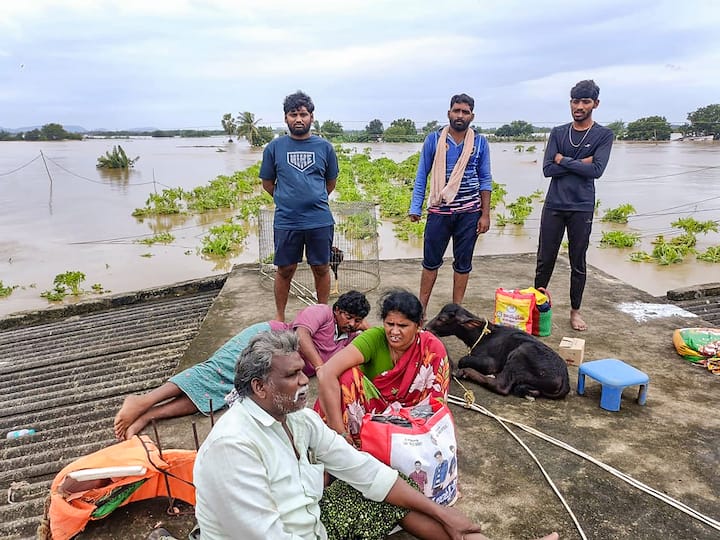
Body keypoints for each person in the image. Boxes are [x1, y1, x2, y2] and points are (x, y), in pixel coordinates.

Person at [193, 329, 560, 540]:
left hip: (311, 524)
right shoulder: (233, 447)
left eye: (302, 371)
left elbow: (361, 468)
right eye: (291, 376)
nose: (305, 381)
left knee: (385, 485)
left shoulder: (298, 420)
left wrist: (444, 513)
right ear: (259, 387)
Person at [113, 291, 369, 440]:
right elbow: (301, 334)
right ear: (337, 310)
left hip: (274, 367)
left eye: (357, 320)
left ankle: (149, 415)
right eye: (348, 316)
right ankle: (142, 400)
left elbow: (373, 335)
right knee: (213, 371)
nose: (351, 323)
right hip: (265, 340)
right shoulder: (322, 311)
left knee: (220, 396)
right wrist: (320, 366)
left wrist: (361, 327)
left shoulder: (348, 338)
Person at [315, 289, 449, 444]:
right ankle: (348, 444)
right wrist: (340, 434)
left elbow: (436, 402)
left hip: (412, 424)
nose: (394, 331)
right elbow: (326, 372)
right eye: (389, 324)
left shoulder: (432, 349)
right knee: (346, 377)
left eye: (403, 326)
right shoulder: (375, 338)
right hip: (370, 416)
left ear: (418, 325)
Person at [534, 80, 614, 332]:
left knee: (577, 260)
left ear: (595, 104)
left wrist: (563, 159)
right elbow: (548, 169)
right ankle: (538, 306)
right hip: (554, 204)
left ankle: (575, 311)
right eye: (575, 101)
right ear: (570, 103)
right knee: (545, 259)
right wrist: (581, 162)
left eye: (585, 102)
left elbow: (597, 170)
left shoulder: (604, 134)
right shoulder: (558, 132)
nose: (579, 106)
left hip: (581, 206)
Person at [409, 93, 493, 315]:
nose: (460, 115)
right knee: (430, 263)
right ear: (449, 113)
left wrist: (485, 214)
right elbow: (421, 175)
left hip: (469, 212)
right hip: (439, 211)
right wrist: (415, 207)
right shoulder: (433, 140)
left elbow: (485, 179)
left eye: (465, 112)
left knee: (463, 264)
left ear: (471, 116)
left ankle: (456, 311)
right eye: (456, 110)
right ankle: (422, 310)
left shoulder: (480, 143)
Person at [260, 90, 339, 322]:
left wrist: (313, 198)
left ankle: (322, 315)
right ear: (285, 118)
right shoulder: (275, 148)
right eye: (293, 114)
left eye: (303, 114)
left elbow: (330, 182)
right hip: (287, 221)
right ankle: (280, 317)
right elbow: (267, 183)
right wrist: (287, 199)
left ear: (312, 117)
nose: (298, 119)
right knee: (285, 270)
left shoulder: (325, 148)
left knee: (321, 268)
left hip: (319, 220)